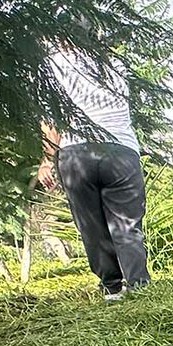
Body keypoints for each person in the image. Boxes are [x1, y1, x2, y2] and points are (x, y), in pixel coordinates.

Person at [37, 48, 149, 300]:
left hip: (77, 153)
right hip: (121, 150)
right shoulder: (116, 63)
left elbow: (51, 120)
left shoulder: (53, 63)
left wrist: (46, 160)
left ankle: (111, 288)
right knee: (127, 225)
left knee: (91, 226)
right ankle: (140, 288)